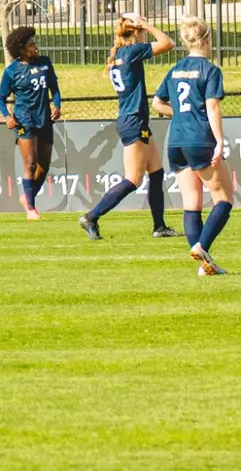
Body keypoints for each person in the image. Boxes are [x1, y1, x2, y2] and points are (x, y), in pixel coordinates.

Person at [78, 15, 180, 240]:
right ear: (135, 32)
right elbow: (168, 43)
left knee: (156, 172)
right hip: (133, 120)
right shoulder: (130, 52)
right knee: (133, 179)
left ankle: (159, 226)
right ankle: (92, 216)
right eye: (141, 31)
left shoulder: (119, 55)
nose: (143, 36)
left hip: (133, 118)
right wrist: (148, 25)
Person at [151, 17, 231, 276]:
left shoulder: (174, 70)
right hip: (200, 140)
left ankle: (204, 266)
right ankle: (201, 246)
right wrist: (219, 139)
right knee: (224, 199)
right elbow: (212, 106)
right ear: (207, 40)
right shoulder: (210, 70)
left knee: (191, 203)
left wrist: (182, 115)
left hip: (176, 141)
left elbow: (157, 104)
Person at [0, 26, 62, 220]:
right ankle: (31, 209)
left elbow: (55, 88)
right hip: (24, 119)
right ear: (21, 50)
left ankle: (27, 197)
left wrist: (57, 105)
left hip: (44, 118)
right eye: (31, 44)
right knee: (30, 162)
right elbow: (1, 97)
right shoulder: (12, 72)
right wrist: (7, 116)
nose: (36, 47)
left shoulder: (45, 63)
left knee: (44, 165)